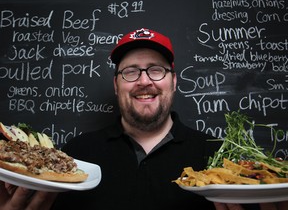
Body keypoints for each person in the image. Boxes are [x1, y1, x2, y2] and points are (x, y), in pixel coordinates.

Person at [0, 28, 287, 210]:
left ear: (173, 82)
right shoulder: (75, 156)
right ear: (116, 85)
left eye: (156, 70)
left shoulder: (219, 156)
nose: (144, 81)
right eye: (131, 71)